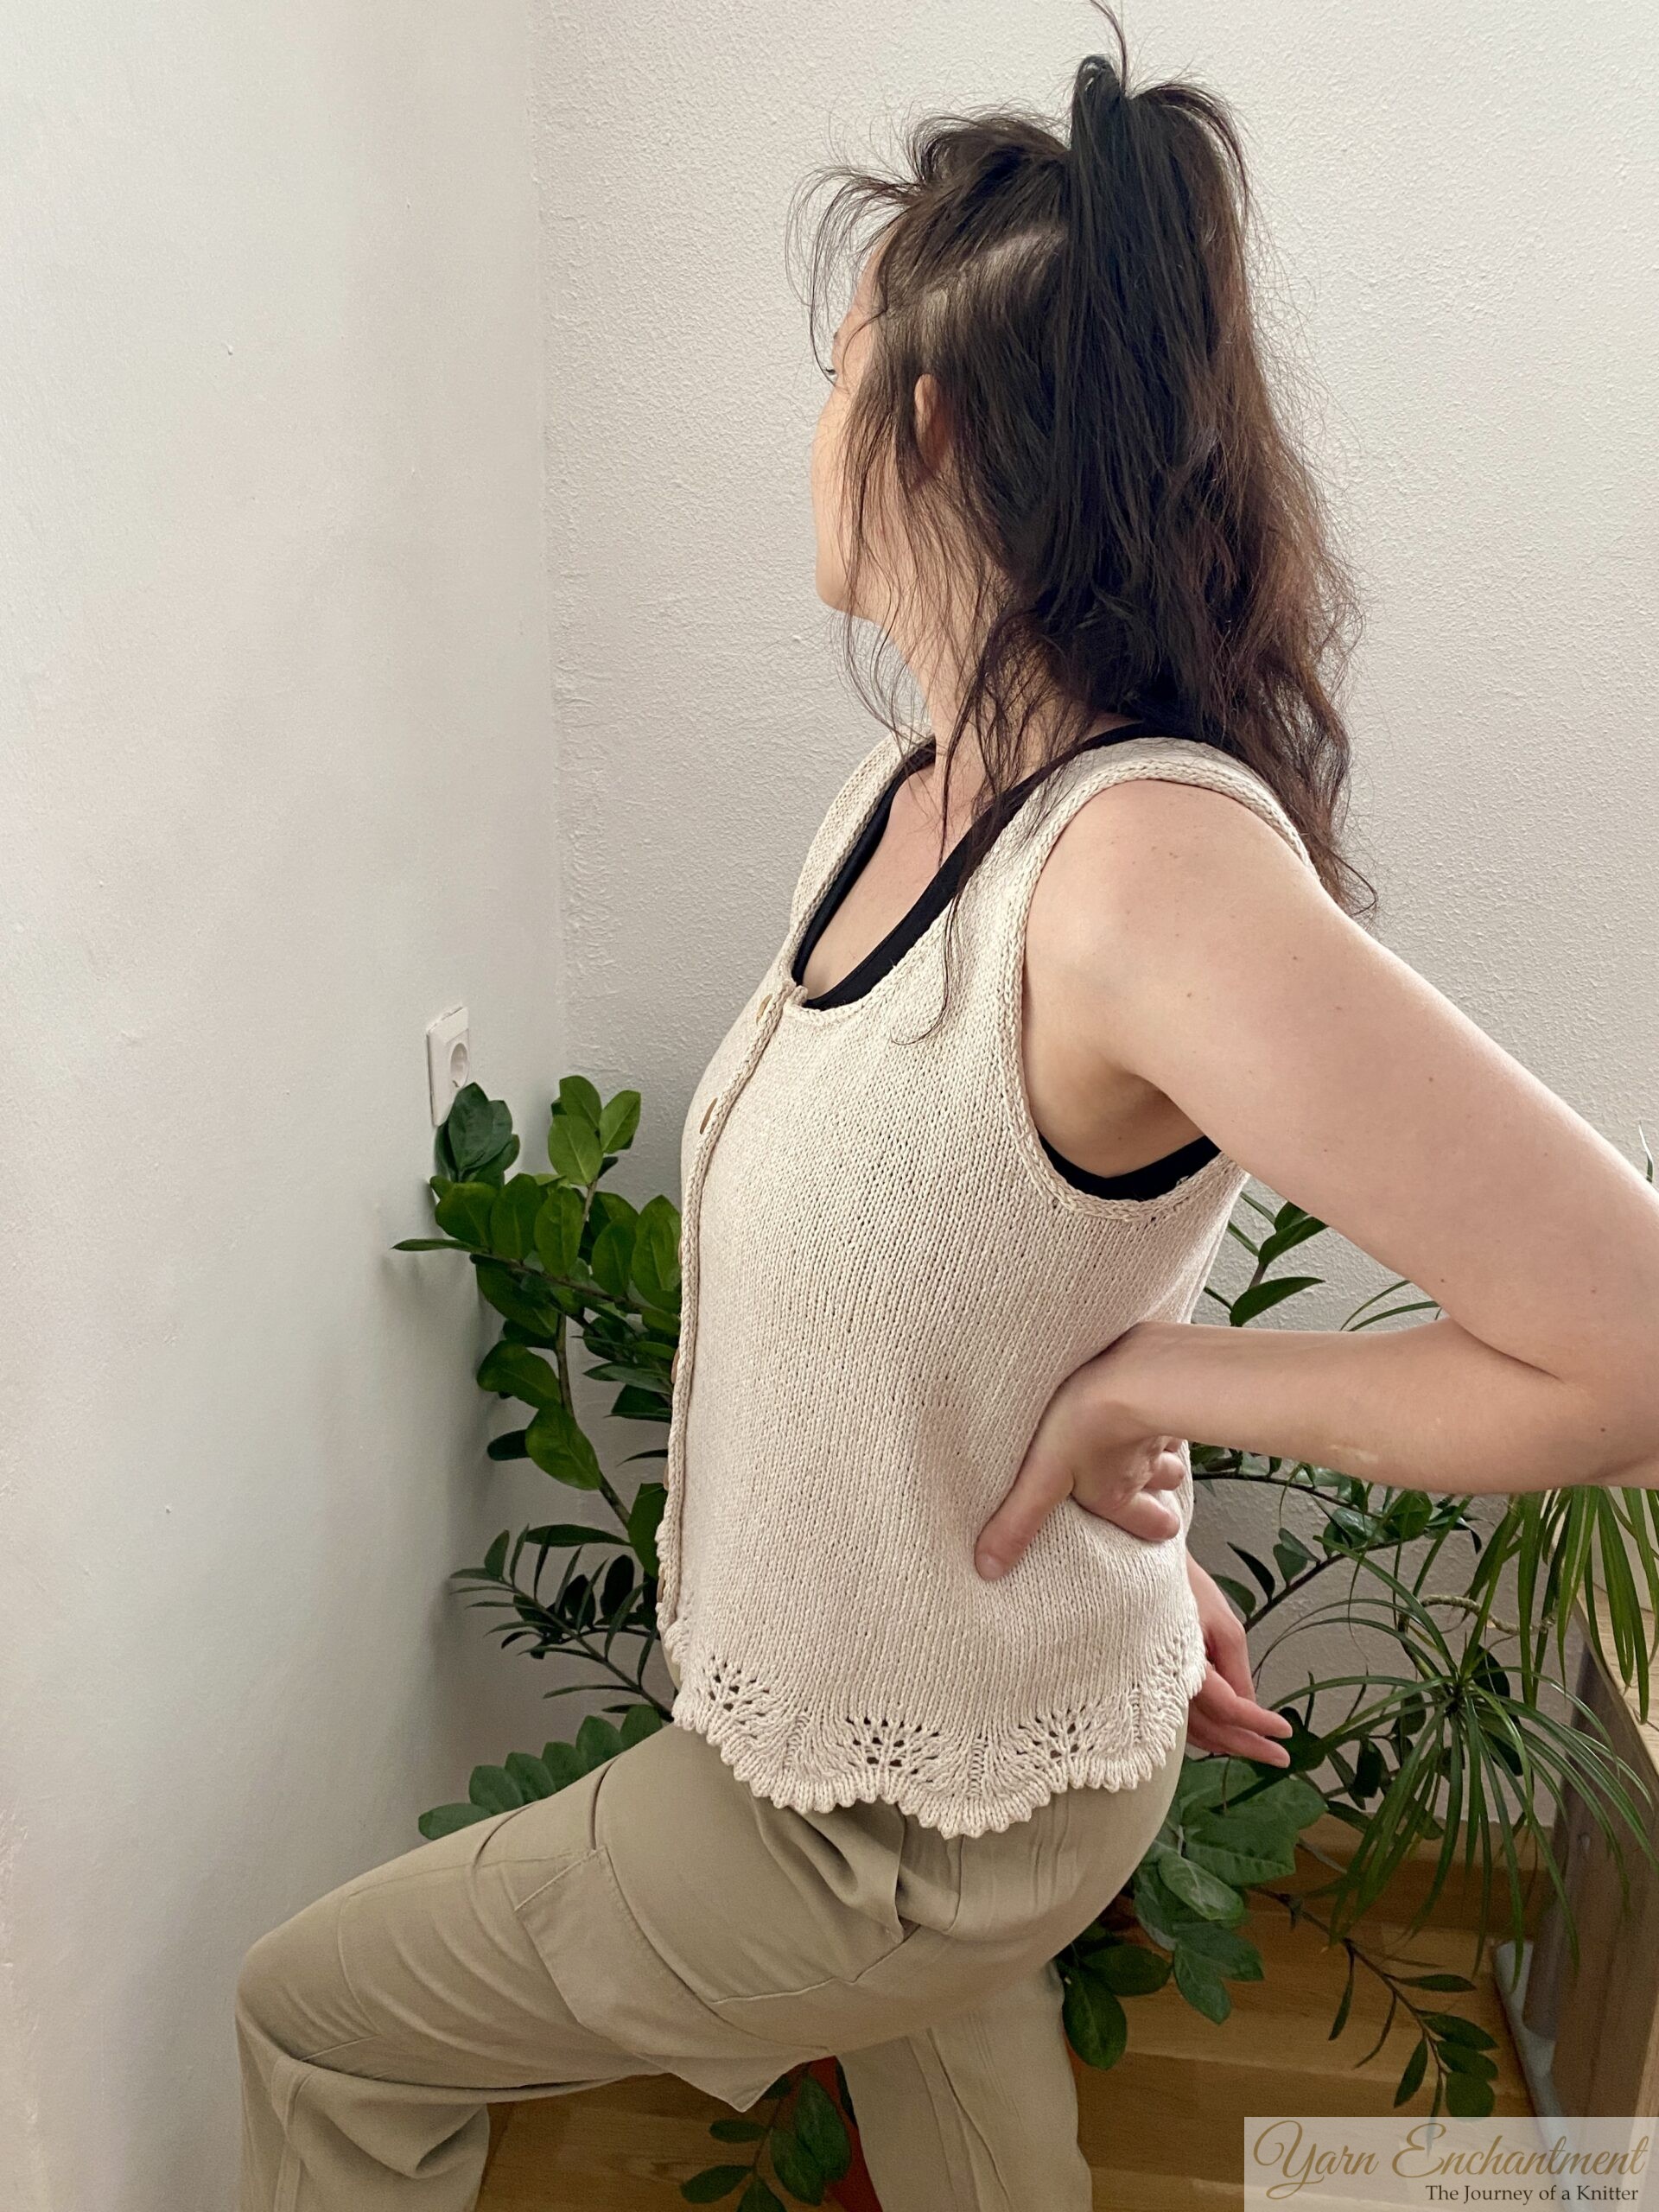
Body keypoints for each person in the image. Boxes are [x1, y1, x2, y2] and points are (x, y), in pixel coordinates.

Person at [235, 19, 1659, 2210]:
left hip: (871, 1831)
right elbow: (986, 1248)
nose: (807, 434)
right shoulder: (903, 802)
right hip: (960, 1718)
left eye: (832, 378)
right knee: (966, 2111)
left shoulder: (1146, 869)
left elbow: (1630, 1338)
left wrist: (1162, 1386)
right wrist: (1114, 1562)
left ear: (930, 421)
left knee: (311, 2016)